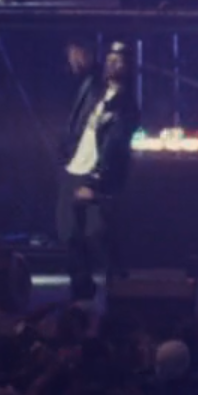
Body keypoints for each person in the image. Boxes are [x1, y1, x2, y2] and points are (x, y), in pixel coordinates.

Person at [58, 40, 141, 302]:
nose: (112, 64)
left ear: (128, 67)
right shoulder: (93, 89)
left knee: (97, 234)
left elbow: (114, 147)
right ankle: (81, 291)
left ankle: (119, 285)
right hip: (74, 169)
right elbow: (85, 67)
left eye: (119, 61)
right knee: (69, 234)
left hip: (98, 176)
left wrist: (96, 181)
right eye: (110, 59)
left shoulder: (126, 106)